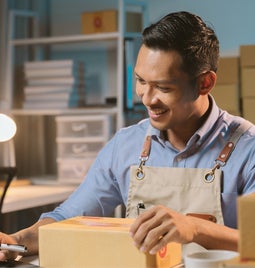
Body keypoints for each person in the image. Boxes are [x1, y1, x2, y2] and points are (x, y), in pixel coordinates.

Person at [1, 10, 255, 261]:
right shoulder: (126, 145)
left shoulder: (248, 148)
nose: (146, 98)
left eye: (163, 87)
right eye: (141, 81)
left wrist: (196, 228)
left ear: (205, 83)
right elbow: (67, 216)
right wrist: (16, 241)